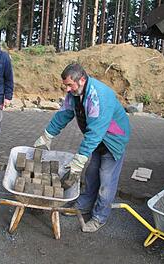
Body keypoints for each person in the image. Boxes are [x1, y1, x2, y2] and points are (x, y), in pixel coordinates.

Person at [34, 63, 131, 233]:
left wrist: (79, 159)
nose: (67, 89)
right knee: (92, 174)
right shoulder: (74, 94)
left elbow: (95, 132)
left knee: (106, 181)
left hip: (113, 140)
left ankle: (99, 217)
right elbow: (64, 114)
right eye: (65, 85)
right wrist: (47, 135)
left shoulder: (98, 96)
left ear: (82, 80)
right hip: (98, 139)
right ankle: (84, 205)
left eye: (69, 85)